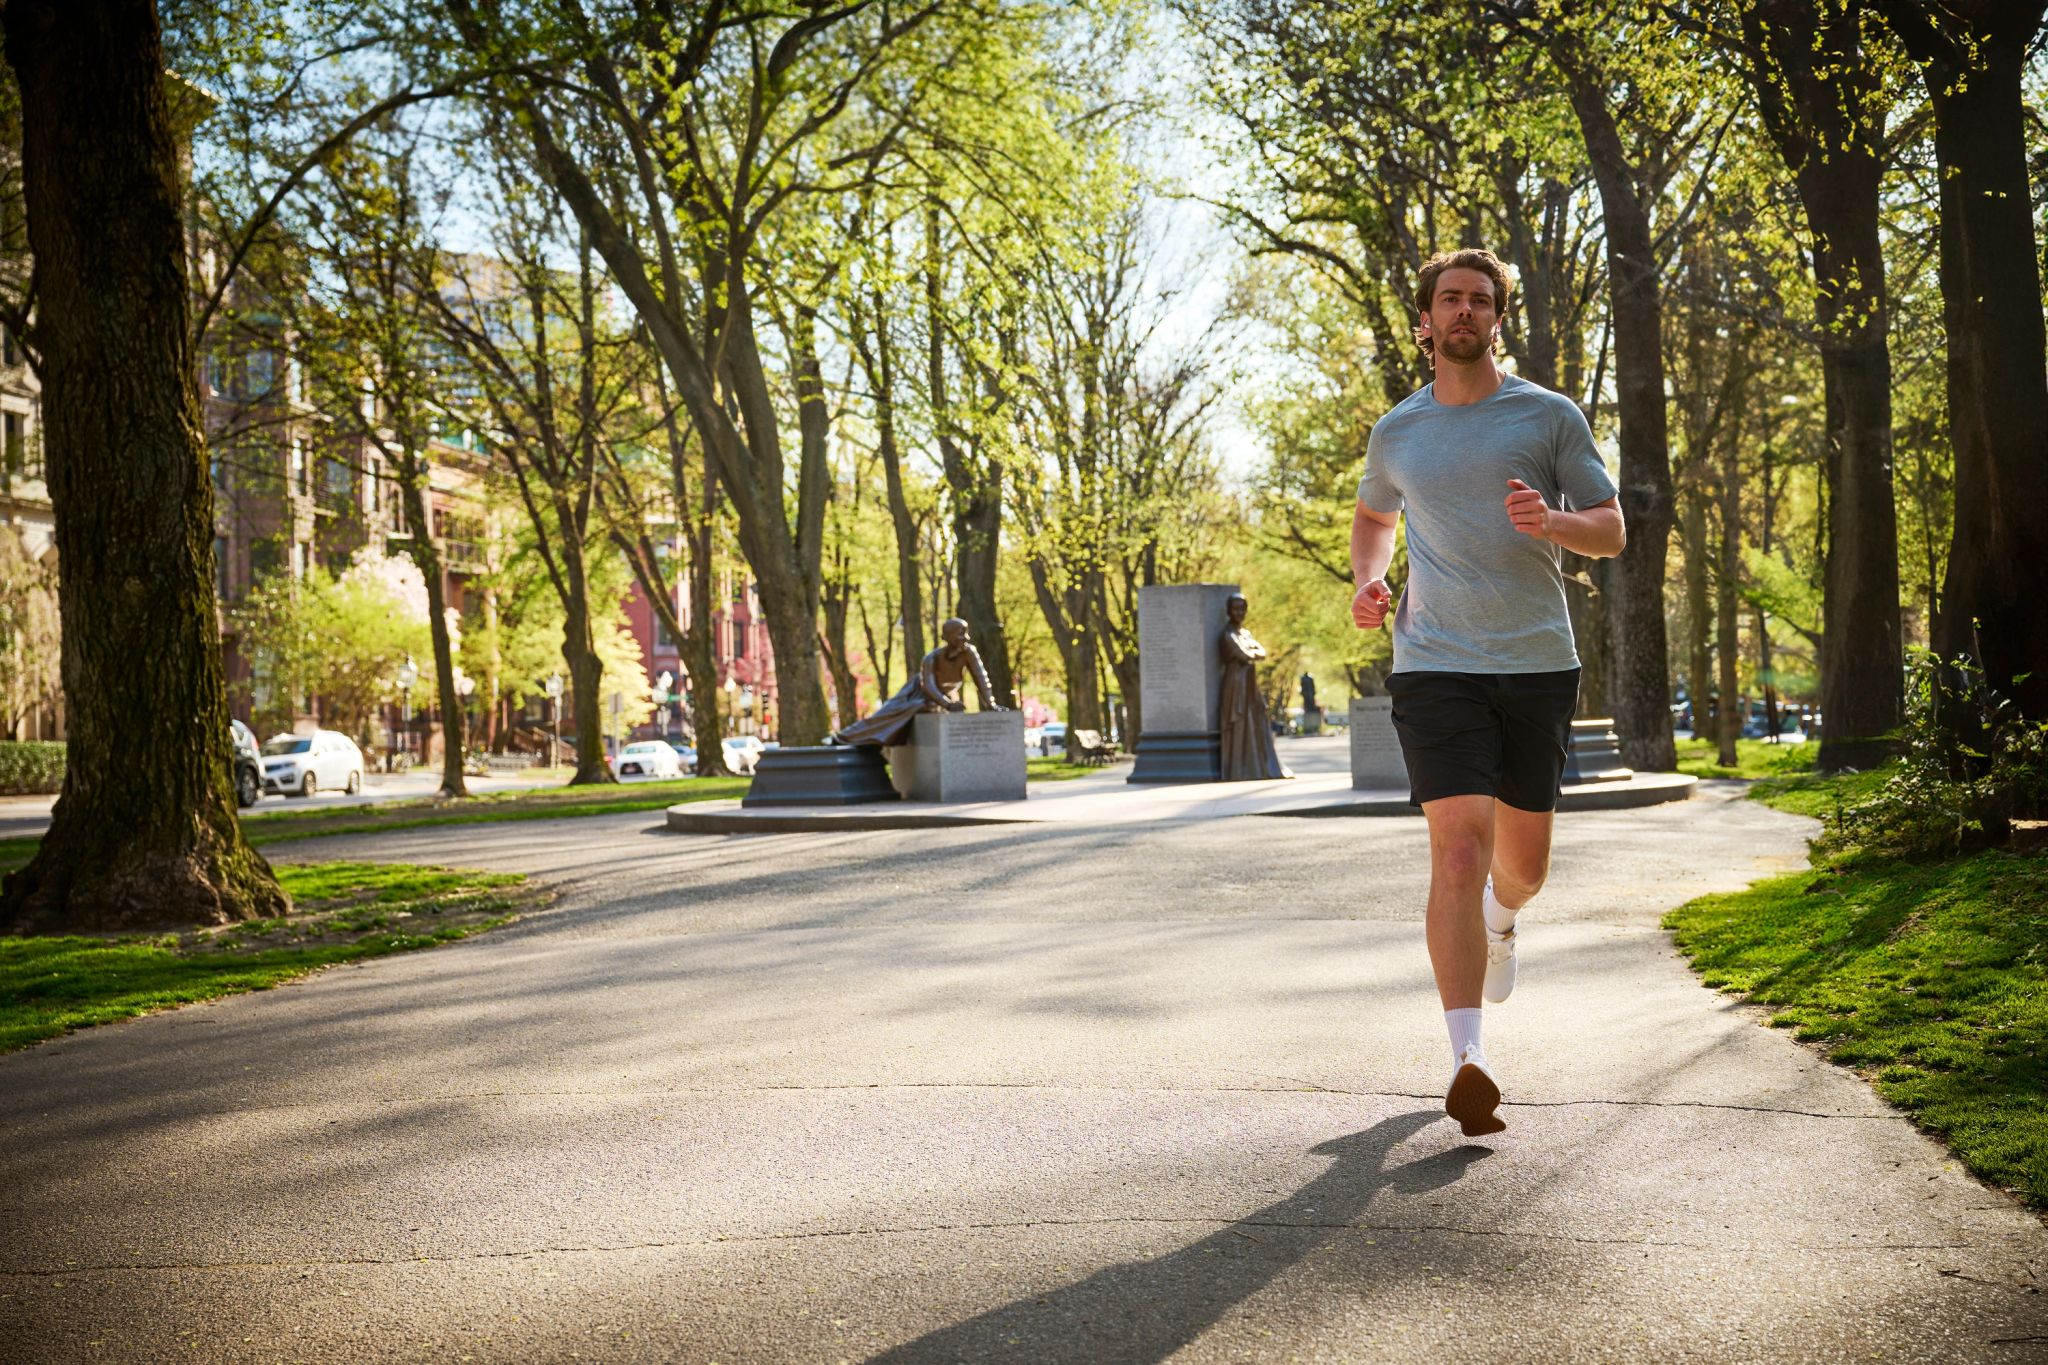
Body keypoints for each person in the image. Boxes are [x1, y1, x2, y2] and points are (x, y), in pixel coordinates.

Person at [1351, 247, 1626, 1137]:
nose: (1464, 311)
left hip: (1537, 660)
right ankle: (1467, 1057)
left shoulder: (1547, 416)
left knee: (1521, 868)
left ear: (1498, 318)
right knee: (1457, 855)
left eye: (1480, 300)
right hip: (1433, 662)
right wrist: (1369, 579)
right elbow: (1374, 516)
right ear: (1425, 320)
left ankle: (1505, 921)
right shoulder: (1397, 431)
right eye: (1449, 300)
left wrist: (1551, 521)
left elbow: (1612, 531)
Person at [831, 617, 1008, 746]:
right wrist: (947, 704)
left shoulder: (969, 653)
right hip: (916, 692)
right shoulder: (931, 659)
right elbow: (928, 686)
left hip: (938, 698)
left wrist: (990, 704)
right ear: (947, 636)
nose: (966, 638)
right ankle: (843, 737)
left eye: (966, 633)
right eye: (960, 634)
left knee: (922, 707)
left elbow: (981, 677)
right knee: (886, 714)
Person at [1218, 593, 1290, 781]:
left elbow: (1262, 652)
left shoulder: (1245, 633)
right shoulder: (1228, 635)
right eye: (1235, 608)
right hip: (1236, 683)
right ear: (1228, 611)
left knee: (1255, 719)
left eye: (1242, 608)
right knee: (1239, 721)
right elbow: (1243, 655)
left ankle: (1255, 765)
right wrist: (1252, 652)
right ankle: (1239, 768)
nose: (1239, 612)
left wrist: (1253, 652)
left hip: (1250, 682)